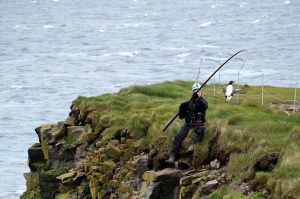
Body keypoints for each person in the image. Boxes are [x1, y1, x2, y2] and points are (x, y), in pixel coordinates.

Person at [167, 83, 208, 163]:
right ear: (192, 92)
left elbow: (205, 106)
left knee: (201, 130)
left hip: (198, 124)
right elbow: (181, 117)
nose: (197, 93)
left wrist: (199, 98)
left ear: (201, 92)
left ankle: (193, 144)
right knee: (177, 137)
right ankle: (172, 156)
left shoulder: (203, 101)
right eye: (195, 91)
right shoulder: (189, 103)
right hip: (188, 125)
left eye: (199, 91)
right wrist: (181, 107)